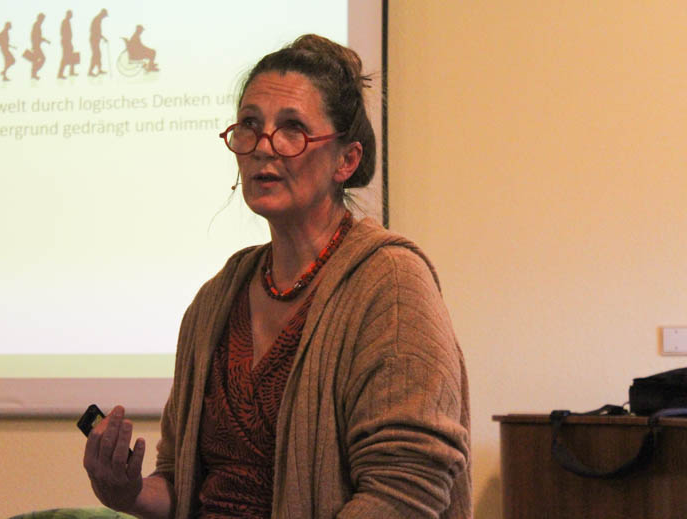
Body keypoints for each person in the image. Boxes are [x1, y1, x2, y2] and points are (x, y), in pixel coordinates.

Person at [83, 34, 472, 519]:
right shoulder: (215, 300)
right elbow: (181, 485)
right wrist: (128, 492)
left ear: (347, 160)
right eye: (250, 125)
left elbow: (406, 491)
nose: (264, 146)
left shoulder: (390, 284)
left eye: (292, 129)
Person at [88, 8, 108, 76]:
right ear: (102, 14)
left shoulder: (98, 19)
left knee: (98, 55)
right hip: (94, 40)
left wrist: (102, 37)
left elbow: (97, 31)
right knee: (96, 55)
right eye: (105, 15)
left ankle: (99, 70)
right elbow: (94, 31)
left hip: (95, 40)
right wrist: (102, 37)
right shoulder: (97, 19)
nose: (104, 17)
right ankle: (90, 71)